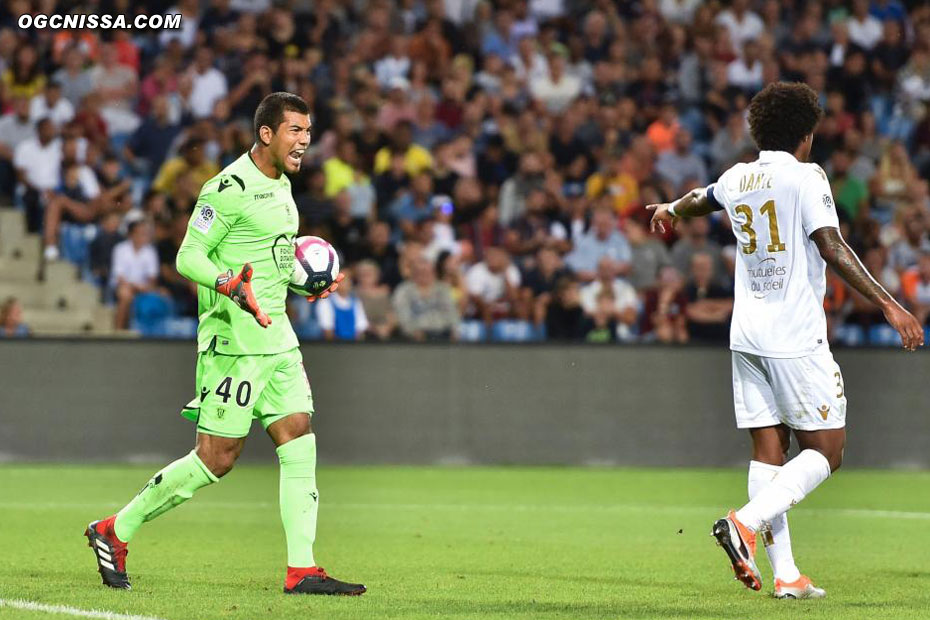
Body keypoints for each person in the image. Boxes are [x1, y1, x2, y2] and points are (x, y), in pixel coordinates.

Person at [648, 82, 923, 599]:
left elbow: (698, 200)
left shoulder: (737, 177)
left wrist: (667, 208)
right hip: (793, 335)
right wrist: (888, 303)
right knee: (828, 450)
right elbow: (831, 245)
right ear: (807, 134)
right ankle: (743, 523)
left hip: (745, 335)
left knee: (768, 449)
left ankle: (787, 575)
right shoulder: (806, 176)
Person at [85, 92, 365, 596]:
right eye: (295, 131)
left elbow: (274, 262)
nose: (305, 140)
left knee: (299, 440)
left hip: (278, 339)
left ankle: (302, 569)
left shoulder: (283, 186)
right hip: (232, 343)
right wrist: (228, 284)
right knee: (216, 458)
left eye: (308, 130)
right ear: (266, 134)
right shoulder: (227, 187)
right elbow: (188, 257)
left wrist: (306, 284)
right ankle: (114, 530)